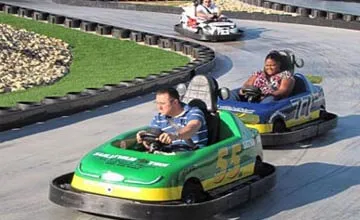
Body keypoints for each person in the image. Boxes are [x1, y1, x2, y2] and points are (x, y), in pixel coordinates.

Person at [136, 88, 208, 151]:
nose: (159, 107)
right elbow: (154, 134)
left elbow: (192, 127)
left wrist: (175, 135)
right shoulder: (159, 117)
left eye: (162, 103)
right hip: (168, 152)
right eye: (157, 103)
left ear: (175, 102)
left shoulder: (193, 112)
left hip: (192, 153)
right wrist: (146, 137)